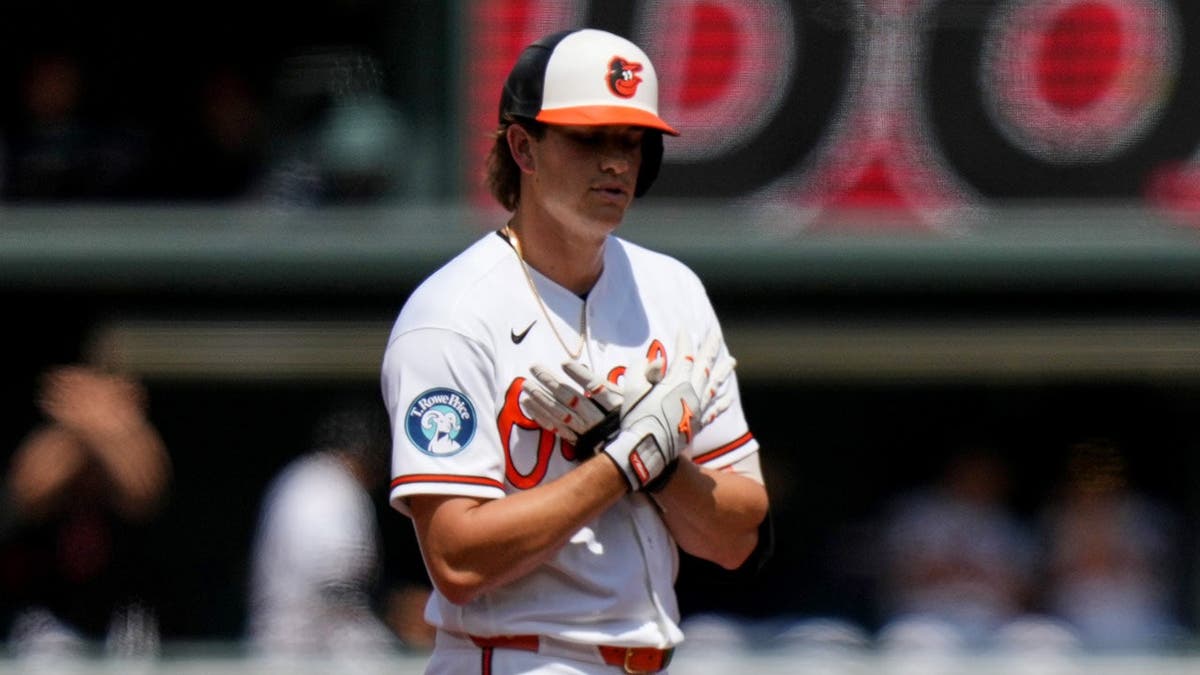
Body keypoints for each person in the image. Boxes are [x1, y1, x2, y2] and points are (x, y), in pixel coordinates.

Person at [381, 28, 770, 674]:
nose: (617, 163)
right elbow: (456, 559)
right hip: (511, 657)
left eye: (631, 141)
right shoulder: (452, 314)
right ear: (523, 148)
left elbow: (739, 533)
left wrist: (659, 466)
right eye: (590, 138)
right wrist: (617, 464)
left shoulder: (673, 292)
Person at [0, 364, 170, 657]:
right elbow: (28, 493)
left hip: (125, 624)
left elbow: (143, 491)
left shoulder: (134, 454)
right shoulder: (50, 449)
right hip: (46, 624)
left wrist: (92, 423)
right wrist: (101, 421)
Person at [246, 396, 428, 656]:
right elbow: (337, 582)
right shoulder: (330, 487)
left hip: (291, 646)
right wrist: (398, 608)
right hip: (305, 653)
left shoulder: (301, 478)